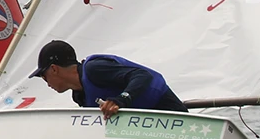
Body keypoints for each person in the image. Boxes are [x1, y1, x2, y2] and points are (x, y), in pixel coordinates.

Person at [31, 39, 187, 118]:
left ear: (54, 69)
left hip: (170, 115)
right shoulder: (79, 96)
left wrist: (121, 100)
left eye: (44, 76)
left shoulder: (94, 69)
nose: (47, 83)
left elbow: (142, 76)